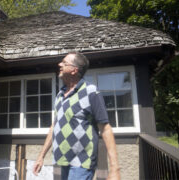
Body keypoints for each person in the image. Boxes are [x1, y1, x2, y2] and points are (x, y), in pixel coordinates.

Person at [33, 52, 120, 180]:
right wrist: (41, 156)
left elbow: (105, 129)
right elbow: (54, 127)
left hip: (82, 163)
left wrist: (114, 169)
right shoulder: (60, 95)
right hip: (64, 161)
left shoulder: (91, 91)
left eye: (64, 62)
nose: (59, 64)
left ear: (74, 70)